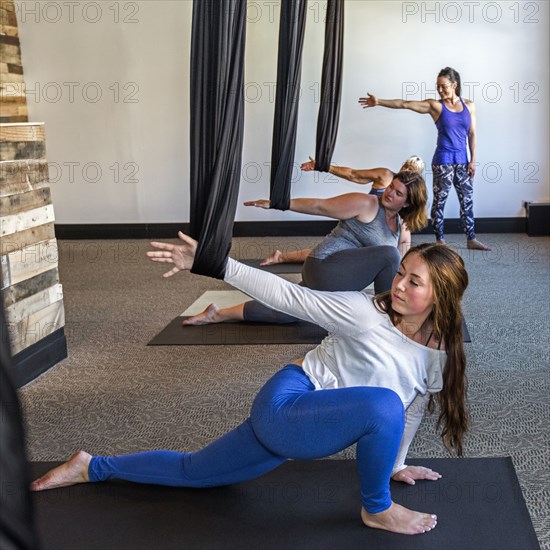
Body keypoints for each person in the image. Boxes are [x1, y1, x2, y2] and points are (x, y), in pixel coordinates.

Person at [31, 235, 470, 536]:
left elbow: (412, 408)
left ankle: (91, 466)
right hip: (288, 405)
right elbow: (289, 297)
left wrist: (396, 464)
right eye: (400, 273)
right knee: (383, 405)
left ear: (442, 296)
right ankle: (377, 510)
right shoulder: (364, 313)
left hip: (312, 425)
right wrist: (213, 263)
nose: (397, 285)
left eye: (414, 282)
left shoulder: (439, 350)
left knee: (196, 473)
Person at [183, 169, 427, 326]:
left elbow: (402, 264)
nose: (389, 194)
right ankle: (389, 320)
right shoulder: (367, 203)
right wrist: (279, 204)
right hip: (324, 266)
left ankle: (218, 313)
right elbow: (320, 206)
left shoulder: (402, 225)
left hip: (339, 276)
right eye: (391, 187)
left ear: (408, 202)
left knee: (287, 310)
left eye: (398, 193)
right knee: (388, 254)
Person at [359, 66, 491, 251]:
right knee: (440, 201)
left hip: (463, 161)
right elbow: (405, 103)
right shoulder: (436, 106)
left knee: (467, 200)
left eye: (443, 86)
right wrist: (379, 101)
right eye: (437, 86)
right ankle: (440, 240)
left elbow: (472, 134)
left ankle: (471, 239)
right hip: (443, 161)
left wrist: (473, 160)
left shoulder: (469, 105)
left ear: (454, 85)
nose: (440, 90)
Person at [259, 155, 425, 266]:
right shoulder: (385, 175)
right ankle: (281, 256)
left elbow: (404, 238)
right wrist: (324, 167)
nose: (408, 172)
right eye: (407, 167)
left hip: (382, 233)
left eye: (413, 171)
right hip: (363, 220)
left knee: (396, 249)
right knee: (333, 250)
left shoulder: (406, 201)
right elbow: (353, 175)